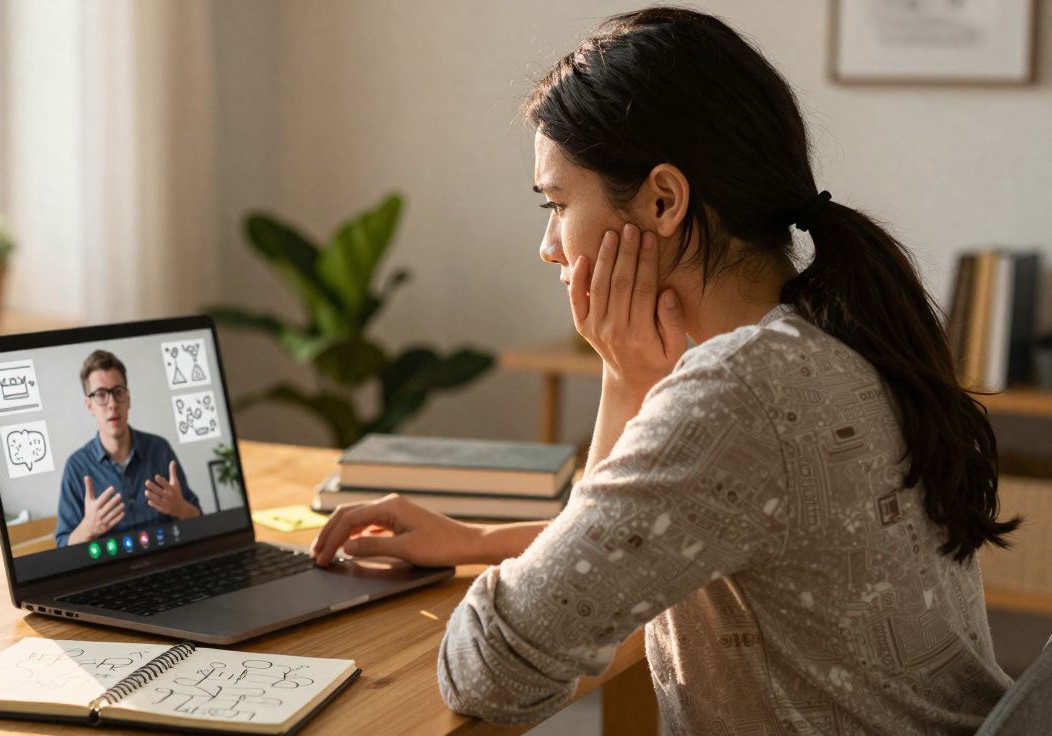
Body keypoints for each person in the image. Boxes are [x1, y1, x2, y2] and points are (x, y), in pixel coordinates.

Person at [309, 7, 1018, 733]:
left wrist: (624, 385)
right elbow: (678, 532)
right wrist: (481, 541)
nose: (549, 247)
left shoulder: (737, 394)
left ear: (663, 200)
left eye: (557, 204)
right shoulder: (837, 335)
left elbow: (488, 672)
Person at [55, 350, 202, 548]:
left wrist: (180, 508)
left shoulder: (160, 449)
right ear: (89, 405)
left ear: (128, 398)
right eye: (100, 395)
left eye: (118, 392)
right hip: (109, 572)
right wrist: (87, 529)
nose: (113, 404)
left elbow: (199, 519)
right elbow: (63, 548)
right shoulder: (76, 467)